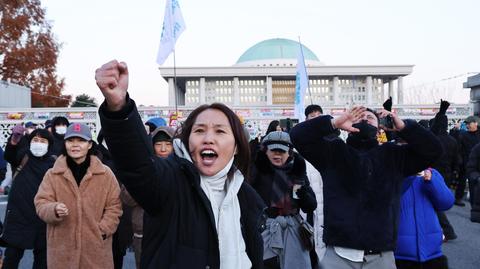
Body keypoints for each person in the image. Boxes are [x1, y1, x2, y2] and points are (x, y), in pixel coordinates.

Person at [95, 60, 265, 269]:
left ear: (237, 146)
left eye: (220, 131)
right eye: (199, 130)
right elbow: (138, 166)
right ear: (187, 140)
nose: (208, 138)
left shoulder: (248, 198)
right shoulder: (170, 183)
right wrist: (119, 108)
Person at [290, 106, 442, 269]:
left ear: (379, 129)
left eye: (370, 117)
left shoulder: (394, 155)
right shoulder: (333, 152)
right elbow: (298, 136)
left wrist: (405, 127)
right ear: (348, 126)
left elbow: (434, 150)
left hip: (381, 255)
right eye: (358, 116)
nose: (364, 119)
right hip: (339, 253)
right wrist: (333, 123)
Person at [34, 123, 122, 269]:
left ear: (89, 144)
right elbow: (41, 203)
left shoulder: (105, 174)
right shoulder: (53, 174)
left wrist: (102, 230)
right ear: (65, 143)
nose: (75, 145)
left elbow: (115, 206)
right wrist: (53, 209)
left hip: (96, 250)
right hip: (62, 250)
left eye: (81, 141)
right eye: (70, 140)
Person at [251, 131, 317, 269]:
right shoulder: (256, 171)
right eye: (273, 150)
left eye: (282, 151)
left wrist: (302, 191)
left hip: (292, 229)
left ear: (290, 152)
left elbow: (310, 206)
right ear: (265, 151)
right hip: (263, 228)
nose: (277, 154)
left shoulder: (297, 172)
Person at [0, 129, 56, 269]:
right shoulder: (22, 156)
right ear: (29, 142)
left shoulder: (54, 163)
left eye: (43, 141)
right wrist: (13, 141)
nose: (39, 144)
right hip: (19, 217)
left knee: (42, 260)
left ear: (49, 145)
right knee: (12, 257)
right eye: (35, 140)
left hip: (43, 218)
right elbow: (9, 155)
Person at [121, 125, 175, 268]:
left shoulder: (183, 167)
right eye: (158, 144)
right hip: (143, 233)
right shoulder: (141, 166)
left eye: (168, 144)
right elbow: (126, 198)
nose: (163, 149)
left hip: (174, 233)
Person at [394, 169, 453, 269]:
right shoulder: (393, 172)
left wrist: (432, 180)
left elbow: (447, 202)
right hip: (400, 253)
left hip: (433, 253)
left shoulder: (432, 173)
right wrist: (410, 176)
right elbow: (389, 196)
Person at [429, 100, 458, 241]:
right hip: (446, 174)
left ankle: (447, 230)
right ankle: (444, 230)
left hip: (432, 173)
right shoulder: (452, 140)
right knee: (437, 202)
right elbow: (457, 161)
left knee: (433, 203)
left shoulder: (432, 139)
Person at [304, 105, 327, 263]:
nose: (316, 119)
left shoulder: (333, 142)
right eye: (312, 116)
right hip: (307, 206)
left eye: (319, 116)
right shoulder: (300, 144)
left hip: (326, 205)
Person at [456, 115, 480, 206]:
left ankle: (474, 203)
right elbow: (459, 149)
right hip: (465, 163)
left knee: (474, 185)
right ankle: (458, 198)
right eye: (466, 124)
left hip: (477, 164)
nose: (467, 126)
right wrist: (460, 161)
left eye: (469, 123)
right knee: (462, 181)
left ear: (476, 124)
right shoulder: (463, 135)